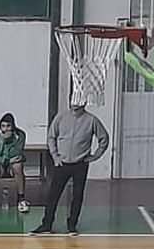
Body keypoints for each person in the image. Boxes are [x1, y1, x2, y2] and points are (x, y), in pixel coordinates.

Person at [35, 99, 109, 236]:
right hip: (62, 163)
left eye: (77, 100)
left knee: (77, 196)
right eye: (72, 100)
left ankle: (72, 225)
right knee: (53, 195)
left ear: (84, 103)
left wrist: (94, 157)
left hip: (80, 164)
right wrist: (55, 156)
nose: (74, 103)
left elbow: (104, 139)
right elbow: (51, 136)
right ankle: (46, 225)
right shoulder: (61, 117)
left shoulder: (92, 120)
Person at [0, 113, 29, 213]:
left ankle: (21, 199)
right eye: (3, 126)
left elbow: (16, 153)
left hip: (12, 166)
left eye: (8, 126)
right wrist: (2, 142)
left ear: (13, 125)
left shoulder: (20, 135)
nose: (6, 129)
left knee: (18, 165)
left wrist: (8, 141)